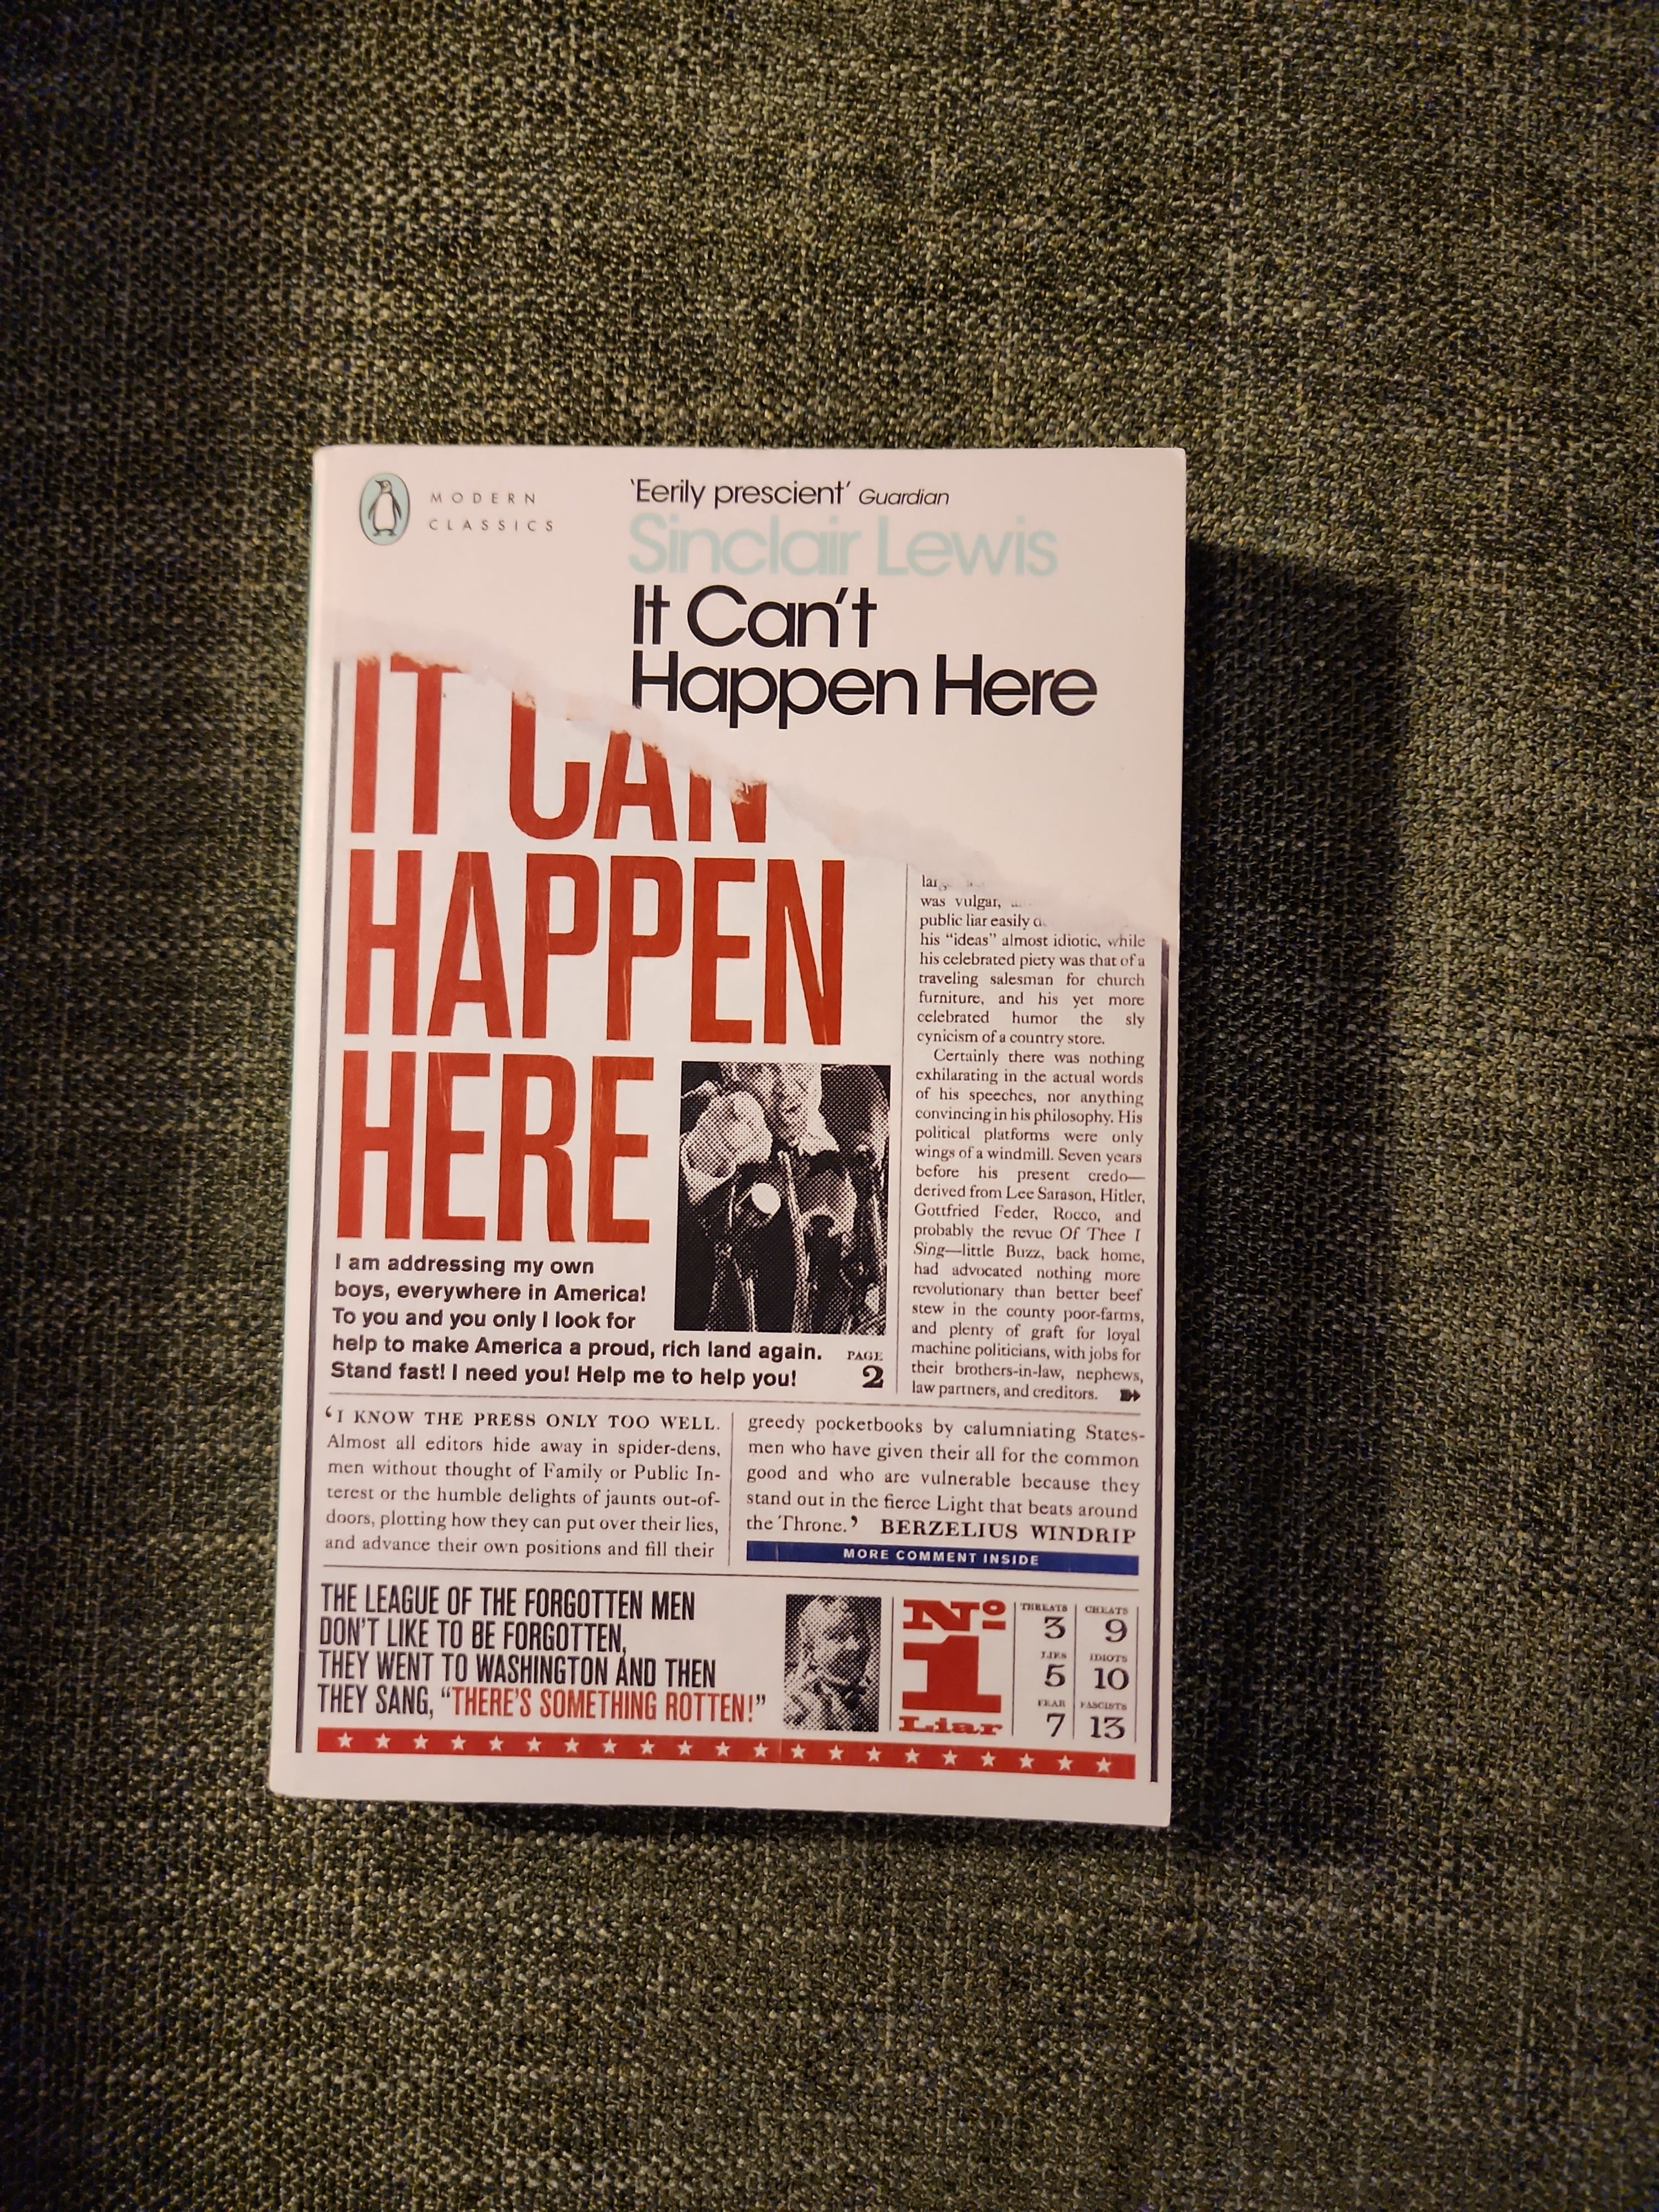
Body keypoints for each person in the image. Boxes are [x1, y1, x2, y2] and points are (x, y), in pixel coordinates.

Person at [676, 1064, 849, 1332]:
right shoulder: (707, 1119)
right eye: (760, 1069)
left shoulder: (835, 1123)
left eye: (799, 1063)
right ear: (730, 1074)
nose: (787, 1088)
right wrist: (704, 1167)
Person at [782, 1597, 880, 1733]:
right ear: (810, 1650)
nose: (855, 1646)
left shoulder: (851, 1700)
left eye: (859, 1634)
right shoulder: (793, 1708)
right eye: (837, 1636)